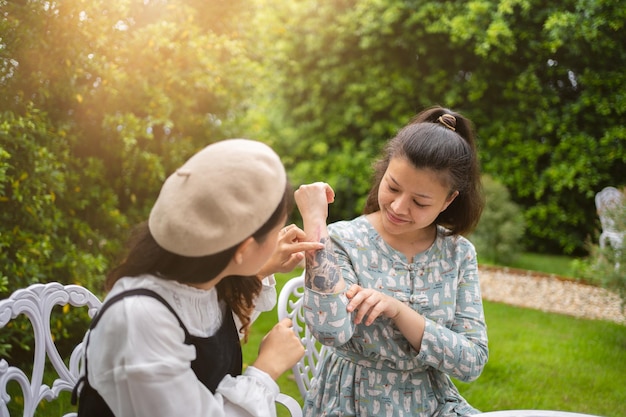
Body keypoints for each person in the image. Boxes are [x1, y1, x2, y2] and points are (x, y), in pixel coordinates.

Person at [72, 139, 321, 417]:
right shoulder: (140, 320)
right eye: (276, 230)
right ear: (244, 249)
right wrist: (266, 369)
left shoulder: (200, 284)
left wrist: (261, 268)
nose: (280, 237)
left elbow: (211, 346)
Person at [294, 106, 489, 417]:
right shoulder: (345, 239)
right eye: (393, 187)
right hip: (351, 403)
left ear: (449, 200)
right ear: (383, 171)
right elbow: (329, 330)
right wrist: (315, 221)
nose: (398, 207)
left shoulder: (459, 252)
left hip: (431, 405)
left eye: (420, 201)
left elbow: (471, 362)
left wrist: (399, 311)